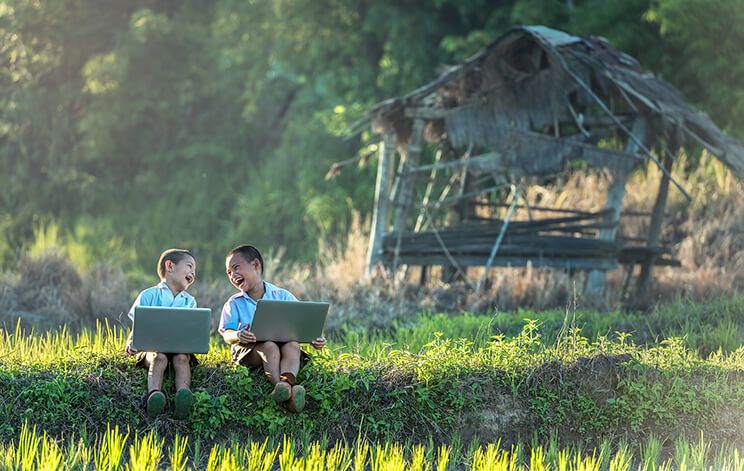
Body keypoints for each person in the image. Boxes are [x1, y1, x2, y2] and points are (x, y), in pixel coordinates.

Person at [219, 244, 326, 413]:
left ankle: (285, 385)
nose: (233, 275)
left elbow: (302, 321)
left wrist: (314, 337)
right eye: (229, 272)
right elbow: (226, 333)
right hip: (249, 350)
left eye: (236, 268)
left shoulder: (281, 295)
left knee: (292, 345)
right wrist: (238, 335)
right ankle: (281, 387)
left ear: (255, 265)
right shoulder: (234, 303)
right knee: (269, 345)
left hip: (281, 346)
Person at [125, 248, 198, 419]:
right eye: (189, 267)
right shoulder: (149, 295)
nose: (193, 273)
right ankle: (155, 395)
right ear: (170, 266)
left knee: (182, 358)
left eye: (194, 271)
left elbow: (191, 329)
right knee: (160, 357)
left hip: (180, 348)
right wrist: (131, 342)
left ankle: (183, 395)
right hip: (153, 348)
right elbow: (138, 325)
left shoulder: (189, 301)